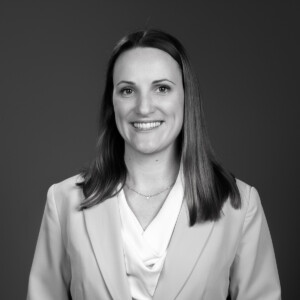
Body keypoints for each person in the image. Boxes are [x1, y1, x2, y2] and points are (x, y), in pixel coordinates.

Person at [27, 29, 281, 300]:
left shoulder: (238, 205)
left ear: (186, 97)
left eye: (161, 88)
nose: (144, 107)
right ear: (112, 104)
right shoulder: (64, 201)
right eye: (127, 90)